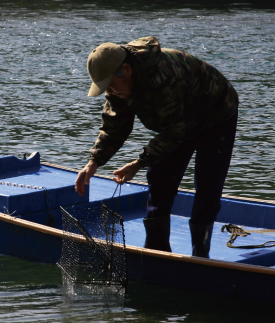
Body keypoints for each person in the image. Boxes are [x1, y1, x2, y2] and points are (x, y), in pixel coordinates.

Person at [74, 36, 239, 258]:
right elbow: (115, 126)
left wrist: (138, 163)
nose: (110, 91)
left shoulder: (163, 78)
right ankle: (156, 250)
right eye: (106, 88)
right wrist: (93, 162)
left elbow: (173, 132)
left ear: (126, 70)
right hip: (179, 120)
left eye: (111, 85)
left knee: (208, 183)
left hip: (216, 113)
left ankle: (201, 254)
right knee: (160, 178)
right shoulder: (118, 86)